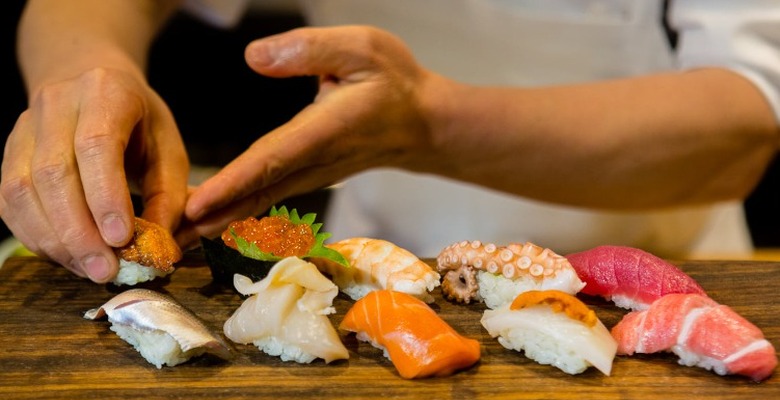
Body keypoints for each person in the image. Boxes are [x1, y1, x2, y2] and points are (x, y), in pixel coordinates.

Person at [1, 0, 779, 284]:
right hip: (374, 268)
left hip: (655, 259)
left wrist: (430, 125)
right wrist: (85, 74)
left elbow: (748, 118)